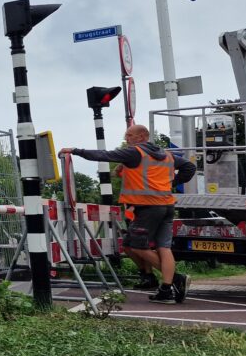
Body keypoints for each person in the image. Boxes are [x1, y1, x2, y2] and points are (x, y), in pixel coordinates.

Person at [59, 124, 196, 304]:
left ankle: (175, 279)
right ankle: (163, 286)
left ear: (141, 137)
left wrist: (76, 151)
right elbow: (189, 167)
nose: (127, 139)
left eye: (129, 135)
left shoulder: (135, 152)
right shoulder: (167, 155)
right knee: (161, 247)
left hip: (148, 208)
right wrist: (173, 182)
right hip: (167, 206)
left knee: (138, 246)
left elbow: (104, 155)